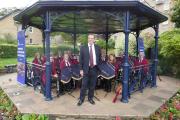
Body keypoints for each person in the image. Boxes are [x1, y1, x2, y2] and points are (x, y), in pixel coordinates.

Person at [77, 34, 101, 106]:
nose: (90, 39)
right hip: (85, 70)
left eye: (92, 38)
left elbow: (99, 58)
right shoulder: (83, 48)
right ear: (88, 39)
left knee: (92, 85)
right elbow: (80, 60)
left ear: (94, 39)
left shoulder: (97, 47)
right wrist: (81, 70)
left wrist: (97, 66)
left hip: (94, 69)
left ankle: (90, 98)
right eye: (89, 38)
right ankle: (81, 99)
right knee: (84, 85)